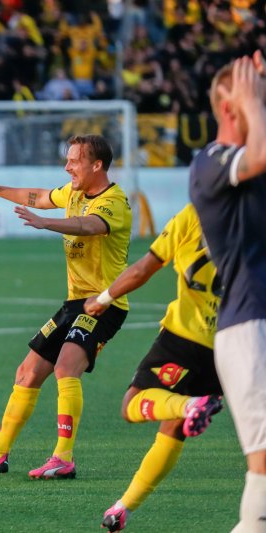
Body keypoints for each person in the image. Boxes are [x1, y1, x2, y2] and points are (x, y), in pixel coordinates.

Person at [0, 134, 132, 479]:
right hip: (74, 303)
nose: (67, 167)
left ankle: (63, 457)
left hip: (104, 303)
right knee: (27, 372)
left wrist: (46, 222)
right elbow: (34, 196)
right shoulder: (74, 193)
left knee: (67, 368)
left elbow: (89, 226)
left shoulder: (115, 203)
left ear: (97, 165)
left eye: (74, 161)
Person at [82, 203, 223, 531]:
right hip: (232, 342)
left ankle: (191, 404)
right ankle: (123, 508)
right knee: (173, 427)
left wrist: (102, 299)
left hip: (186, 336)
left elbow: (143, 269)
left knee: (133, 403)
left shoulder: (196, 213)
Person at [189, 52, 266, 531]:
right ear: (231, 109)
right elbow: (258, 154)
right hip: (248, 327)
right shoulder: (210, 163)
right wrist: (252, 97)